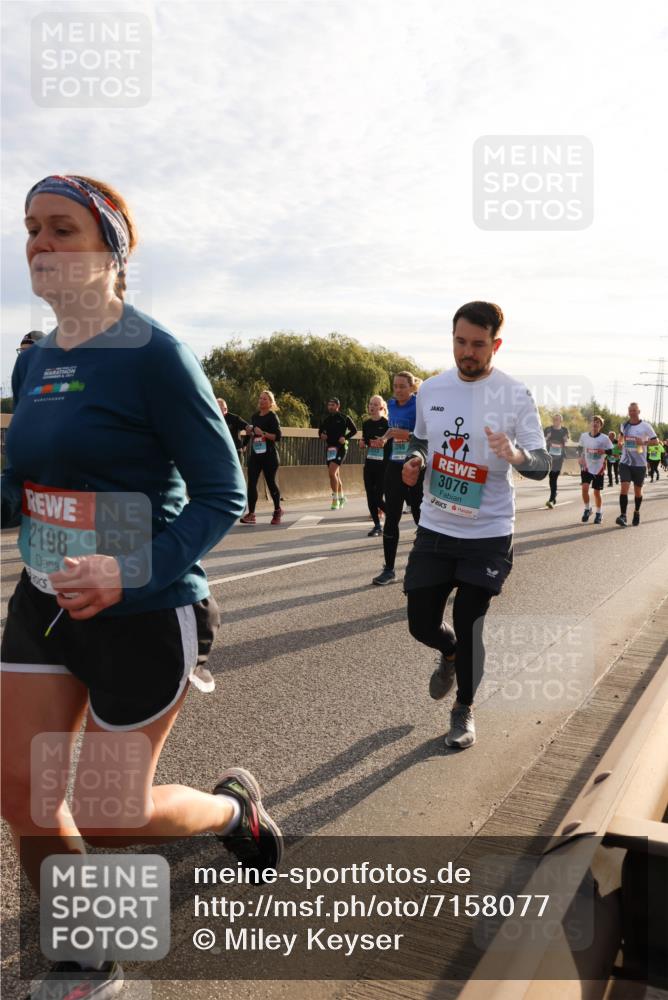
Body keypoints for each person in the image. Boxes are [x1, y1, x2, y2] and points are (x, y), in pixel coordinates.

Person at [1, 175, 283, 1000]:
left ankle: (236, 813)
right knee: (21, 791)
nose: (40, 246)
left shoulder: (157, 356)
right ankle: (88, 956)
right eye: (31, 231)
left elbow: (223, 491)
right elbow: (20, 488)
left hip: (149, 611)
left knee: (108, 812)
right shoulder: (35, 359)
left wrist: (128, 568)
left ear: (111, 250)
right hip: (45, 603)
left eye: (62, 230)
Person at [402, 302, 549, 749]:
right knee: (420, 622)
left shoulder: (516, 395)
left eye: (478, 345)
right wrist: (417, 458)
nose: (467, 352)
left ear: (495, 345)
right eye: (460, 342)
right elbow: (423, 436)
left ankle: (463, 708)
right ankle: (447, 654)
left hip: (487, 533)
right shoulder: (431, 389)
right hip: (436, 526)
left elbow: (542, 464)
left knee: (470, 621)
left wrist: (516, 456)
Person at [372, 372, 423, 585]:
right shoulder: (391, 404)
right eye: (395, 386)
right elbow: (392, 431)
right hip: (394, 465)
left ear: (411, 388)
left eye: (402, 386)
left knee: (421, 519)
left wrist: (408, 435)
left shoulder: (420, 404)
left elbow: (427, 434)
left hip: (416, 465)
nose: (398, 390)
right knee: (392, 517)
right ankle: (389, 569)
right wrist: (384, 439)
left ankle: (425, 566)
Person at [239, 390, 283, 525]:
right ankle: (251, 514)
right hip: (256, 455)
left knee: (271, 483)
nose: (261, 401)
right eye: (260, 398)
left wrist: (263, 433)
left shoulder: (272, 417)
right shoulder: (255, 416)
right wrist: (245, 442)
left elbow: (278, 437)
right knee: (251, 483)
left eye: (265, 399)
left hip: (269, 455)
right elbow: (251, 434)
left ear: (270, 403)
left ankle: (277, 511)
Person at [615, 402, 657, 527]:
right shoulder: (624, 425)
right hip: (625, 462)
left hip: (639, 464)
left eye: (634, 410)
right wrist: (620, 443)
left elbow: (655, 441)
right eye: (630, 410)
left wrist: (643, 442)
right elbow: (621, 437)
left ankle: (636, 512)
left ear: (639, 411)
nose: (632, 412)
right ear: (628, 412)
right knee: (624, 488)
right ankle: (623, 515)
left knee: (638, 492)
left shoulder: (646, 426)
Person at [318, 397, 357, 509]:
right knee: (335, 475)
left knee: (332, 473)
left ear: (337, 406)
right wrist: (322, 435)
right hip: (330, 448)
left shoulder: (344, 418)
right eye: (329, 405)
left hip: (341, 448)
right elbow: (320, 431)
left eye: (333, 405)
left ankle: (335, 499)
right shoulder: (326, 419)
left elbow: (354, 430)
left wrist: (345, 437)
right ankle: (341, 497)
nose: (330, 407)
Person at [360, 394, 389, 536]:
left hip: (383, 466)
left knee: (378, 497)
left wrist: (383, 442)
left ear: (382, 407)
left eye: (375, 404)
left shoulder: (387, 424)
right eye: (370, 404)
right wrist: (362, 443)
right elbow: (364, 440)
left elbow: (392, 445)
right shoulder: (366, 424)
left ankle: (392, 515)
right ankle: (377, 526)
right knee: (370, 496)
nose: (372, 407)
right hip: (370, 464)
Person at [577, 416, 613, 524]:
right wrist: (580, 457)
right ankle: (587, 509)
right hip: (586, 466)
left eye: (598, 422)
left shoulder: (604, 438)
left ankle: (599, 512)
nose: (595, 424)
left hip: (599, 468)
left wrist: (604, 451)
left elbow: (611, 451)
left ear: (600, 426)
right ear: (590, 424)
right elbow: (579, 449)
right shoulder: (584, 436)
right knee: (584, 488)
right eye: (593, 421)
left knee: (596, 492)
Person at [543, 413, 569, 507]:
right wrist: (547, 437)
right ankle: (553, 496)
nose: (556, 421)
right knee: (551, 477)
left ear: (561, 421)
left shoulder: (564, 430)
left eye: (557, 419)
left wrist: (565, 439)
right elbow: (542, 440)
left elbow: (566, 441)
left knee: (555, 476)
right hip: (550, 456)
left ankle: (552, 498)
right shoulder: (548, 429)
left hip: (559, 456)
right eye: (554, 419)